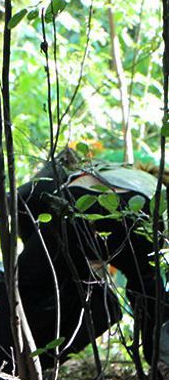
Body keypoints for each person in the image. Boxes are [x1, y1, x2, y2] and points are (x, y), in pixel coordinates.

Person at [11, 151, 169, 366]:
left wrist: (35, 249)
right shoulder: (147, 184)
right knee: (147, 290)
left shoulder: (97, 171)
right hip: (142, 217)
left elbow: (22, 197)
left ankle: (12, 364)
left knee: (23, 287)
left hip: (80, 207)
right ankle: (160, 361)